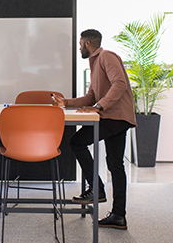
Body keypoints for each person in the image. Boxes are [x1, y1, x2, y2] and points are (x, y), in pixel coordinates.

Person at [52, 29, 136, 229]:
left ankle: (97, 188)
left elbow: (120, 84)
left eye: (80, 44)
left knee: (77, 141)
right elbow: (91, 97)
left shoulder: (106, 56)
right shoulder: (95, 64)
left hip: (114, 117)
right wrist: (66, 103)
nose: (79, 47)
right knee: (115, 165)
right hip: (113, 117)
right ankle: (118, 216)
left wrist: (99, 107)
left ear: (88, 43)